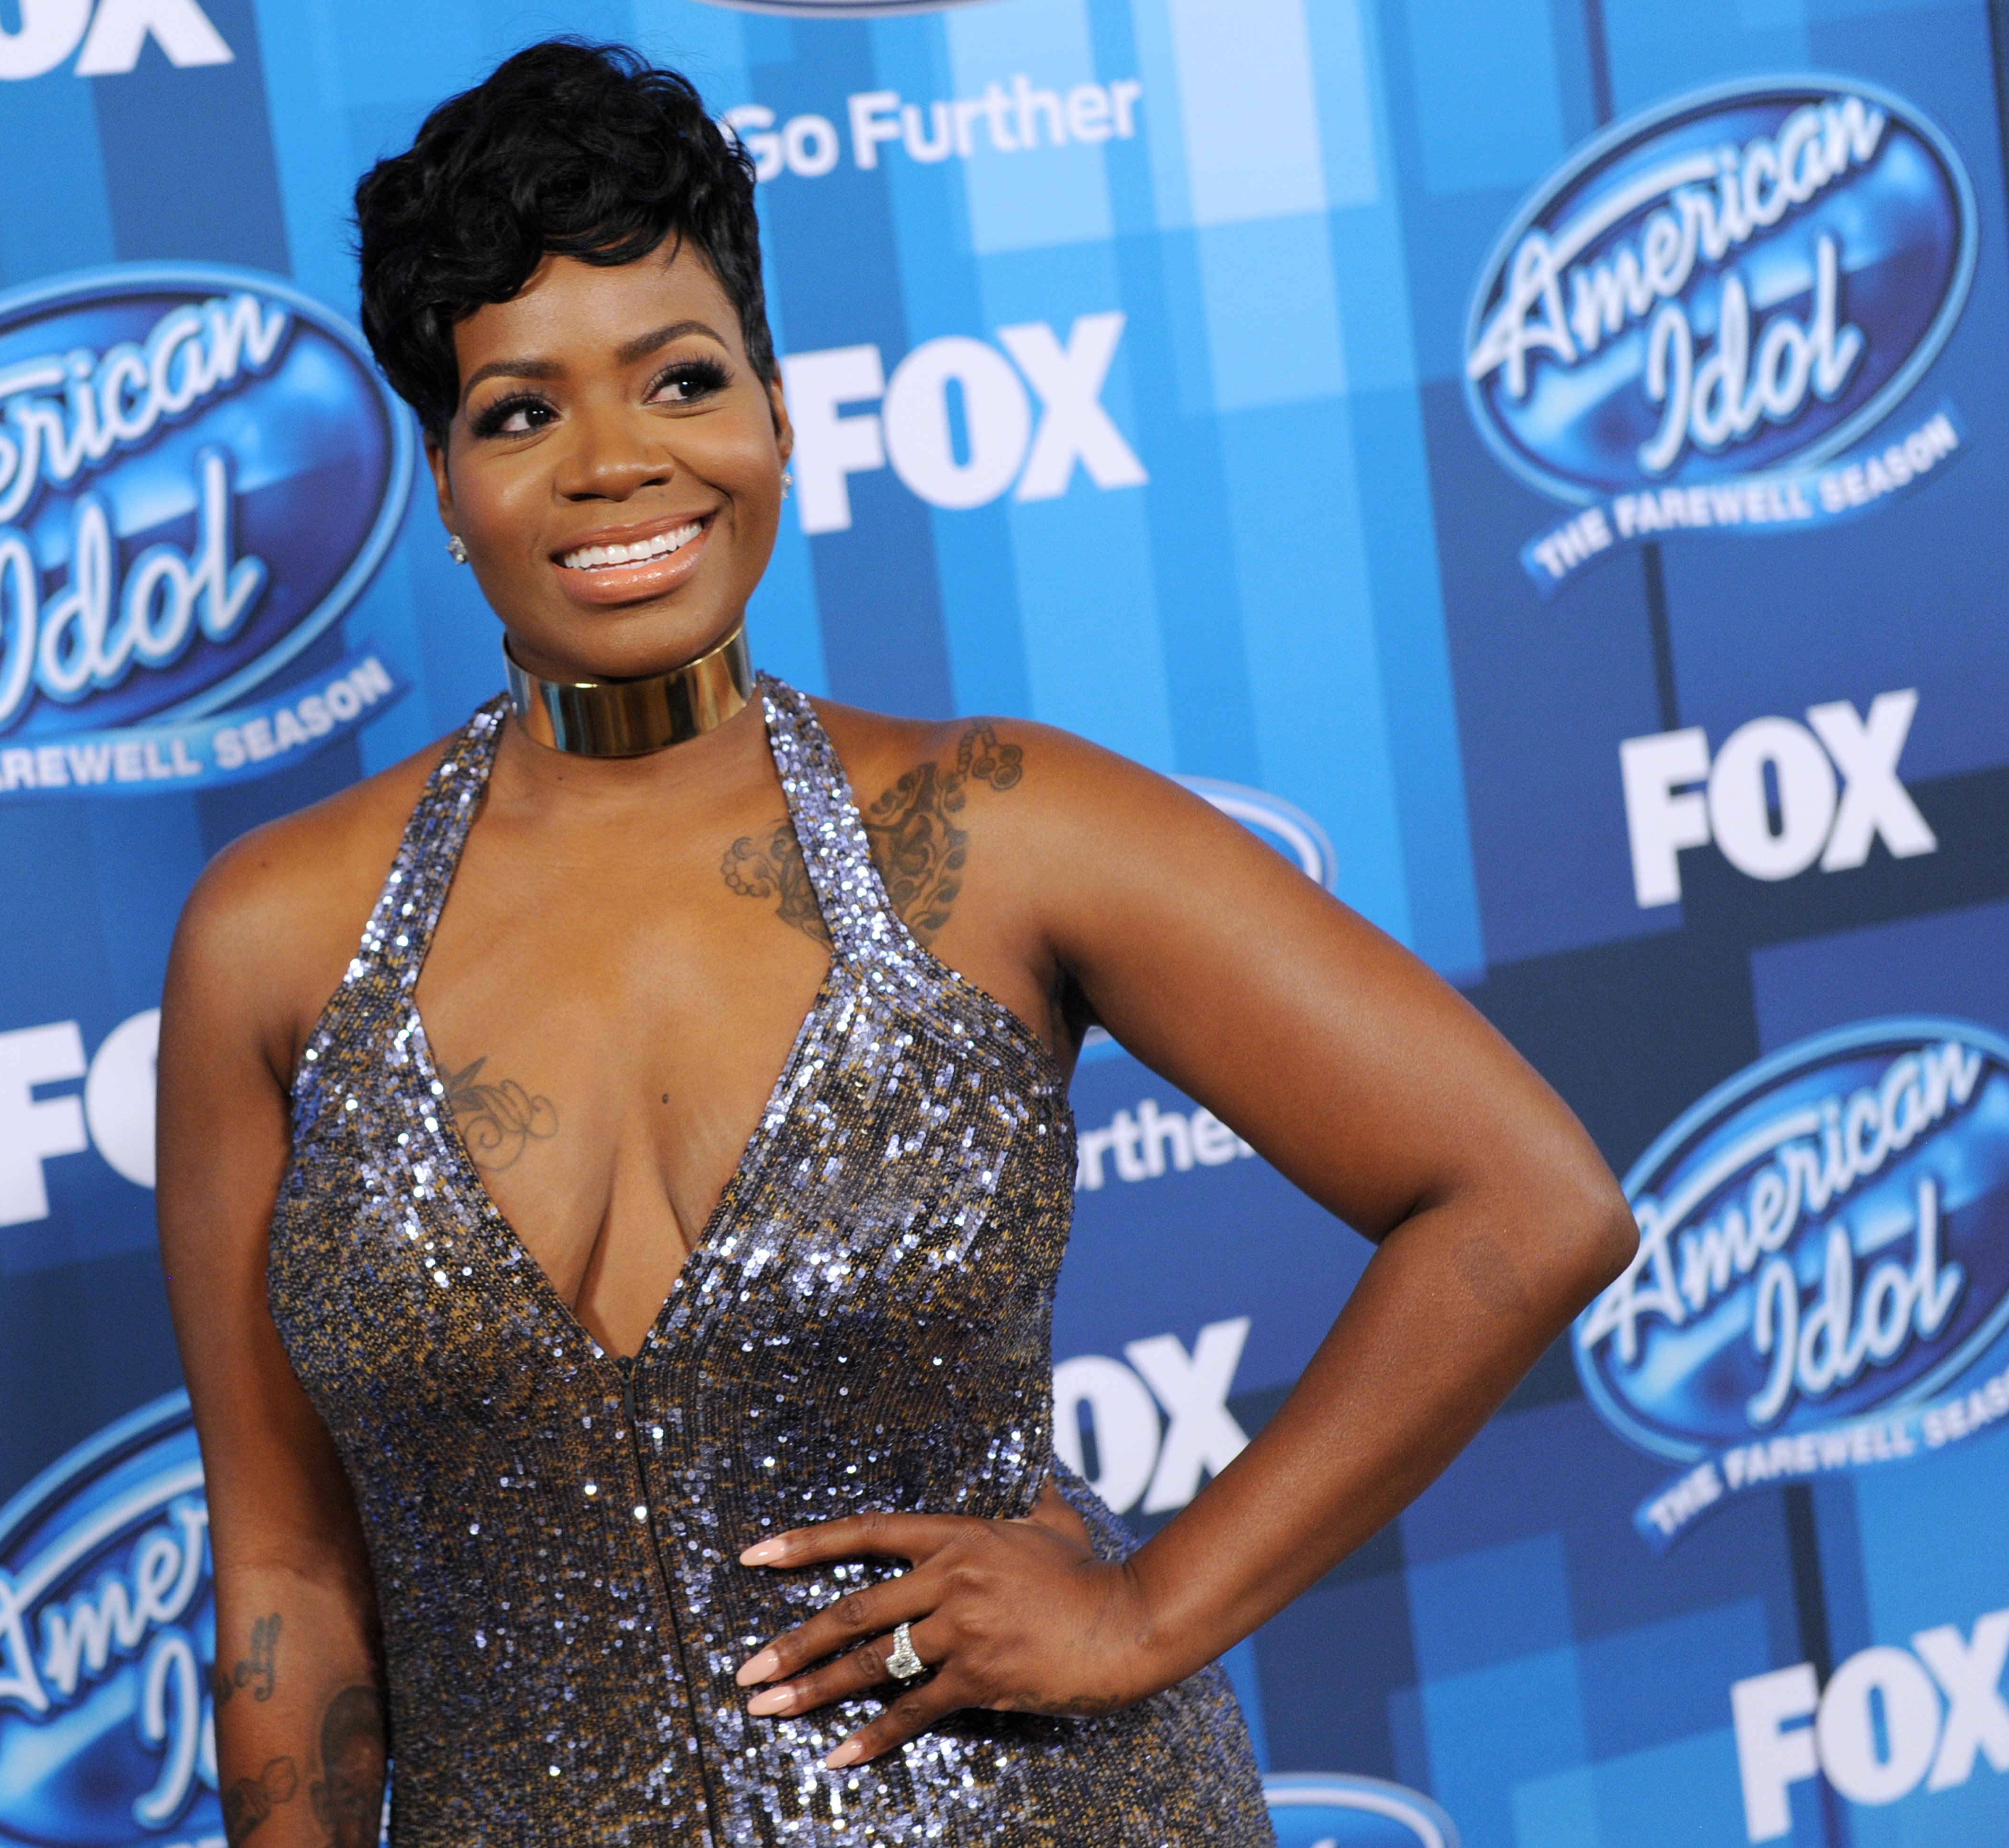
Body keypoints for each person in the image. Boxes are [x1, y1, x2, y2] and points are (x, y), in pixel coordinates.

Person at [156, 37, 1636, 1848]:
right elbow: (289, 1566)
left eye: (680, 380)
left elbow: (1528, 1198)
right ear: (449, 490)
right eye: (521, 412)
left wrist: (1146, 1613)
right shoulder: (273, 938)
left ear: (778, 415)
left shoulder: (999, 830)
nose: (616, 463)